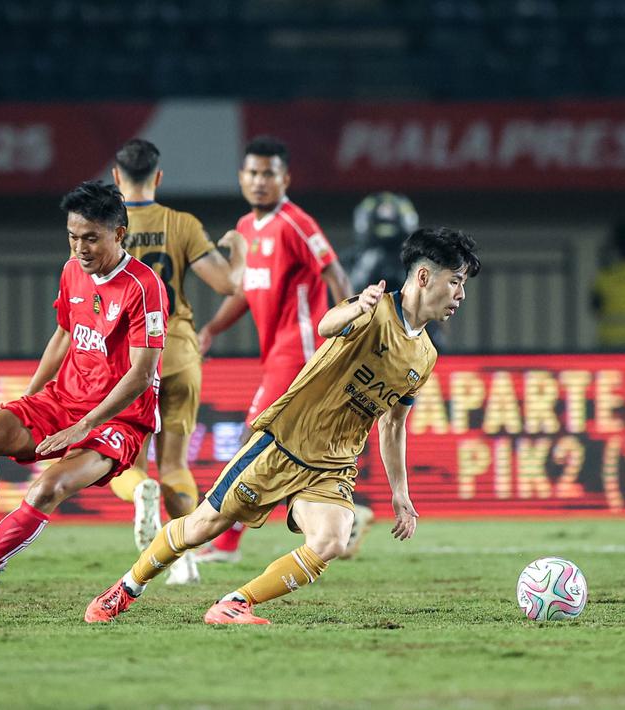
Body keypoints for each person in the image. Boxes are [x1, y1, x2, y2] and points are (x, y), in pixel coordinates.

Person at [83, 227, 480, 625]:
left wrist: (401, 494)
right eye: (456, 282)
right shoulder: (374, 308)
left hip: (334, 463)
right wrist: (357, 307)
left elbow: (393, 425)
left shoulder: (425, 355)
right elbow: (327, 325)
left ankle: (235, 603)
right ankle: (127, 587)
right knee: (203, 527)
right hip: (285, 443)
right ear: (425, 277)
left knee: (331, 540)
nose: (461, 295)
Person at [0, 181, 168, 609]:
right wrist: (29, 400)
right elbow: (63, 335)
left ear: (119, 234)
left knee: (46, 489)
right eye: (73, 237)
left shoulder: (144, 287)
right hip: (61, 399)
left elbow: (142, 374)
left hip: (118, 419)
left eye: (91, 238)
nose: (80, 248)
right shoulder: (73, 270)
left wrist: (84, 426)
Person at [193, 135, 353, 564]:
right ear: (242, 178)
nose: (259, 181)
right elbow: (244, 291)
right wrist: (211, 329)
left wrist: (350, 330)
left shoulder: (296, 221)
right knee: (287, 449)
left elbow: (335, 274)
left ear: (285, 178)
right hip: (276, 355)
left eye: (268, 173)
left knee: (253, 442)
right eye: (252, 173)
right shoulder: (246, 228)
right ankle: (336, 517)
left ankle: (224, 543)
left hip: (301, 350)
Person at [105, 139, 247, 585]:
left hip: (128, 356)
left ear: (115, 177)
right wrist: (239, 249)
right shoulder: (181, 224)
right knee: (176, 465)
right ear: (159, 177)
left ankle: (140, 494)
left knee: (125, 464)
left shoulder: (102, 228)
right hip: (180, 349)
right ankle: (183, 559)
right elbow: (228, 284)